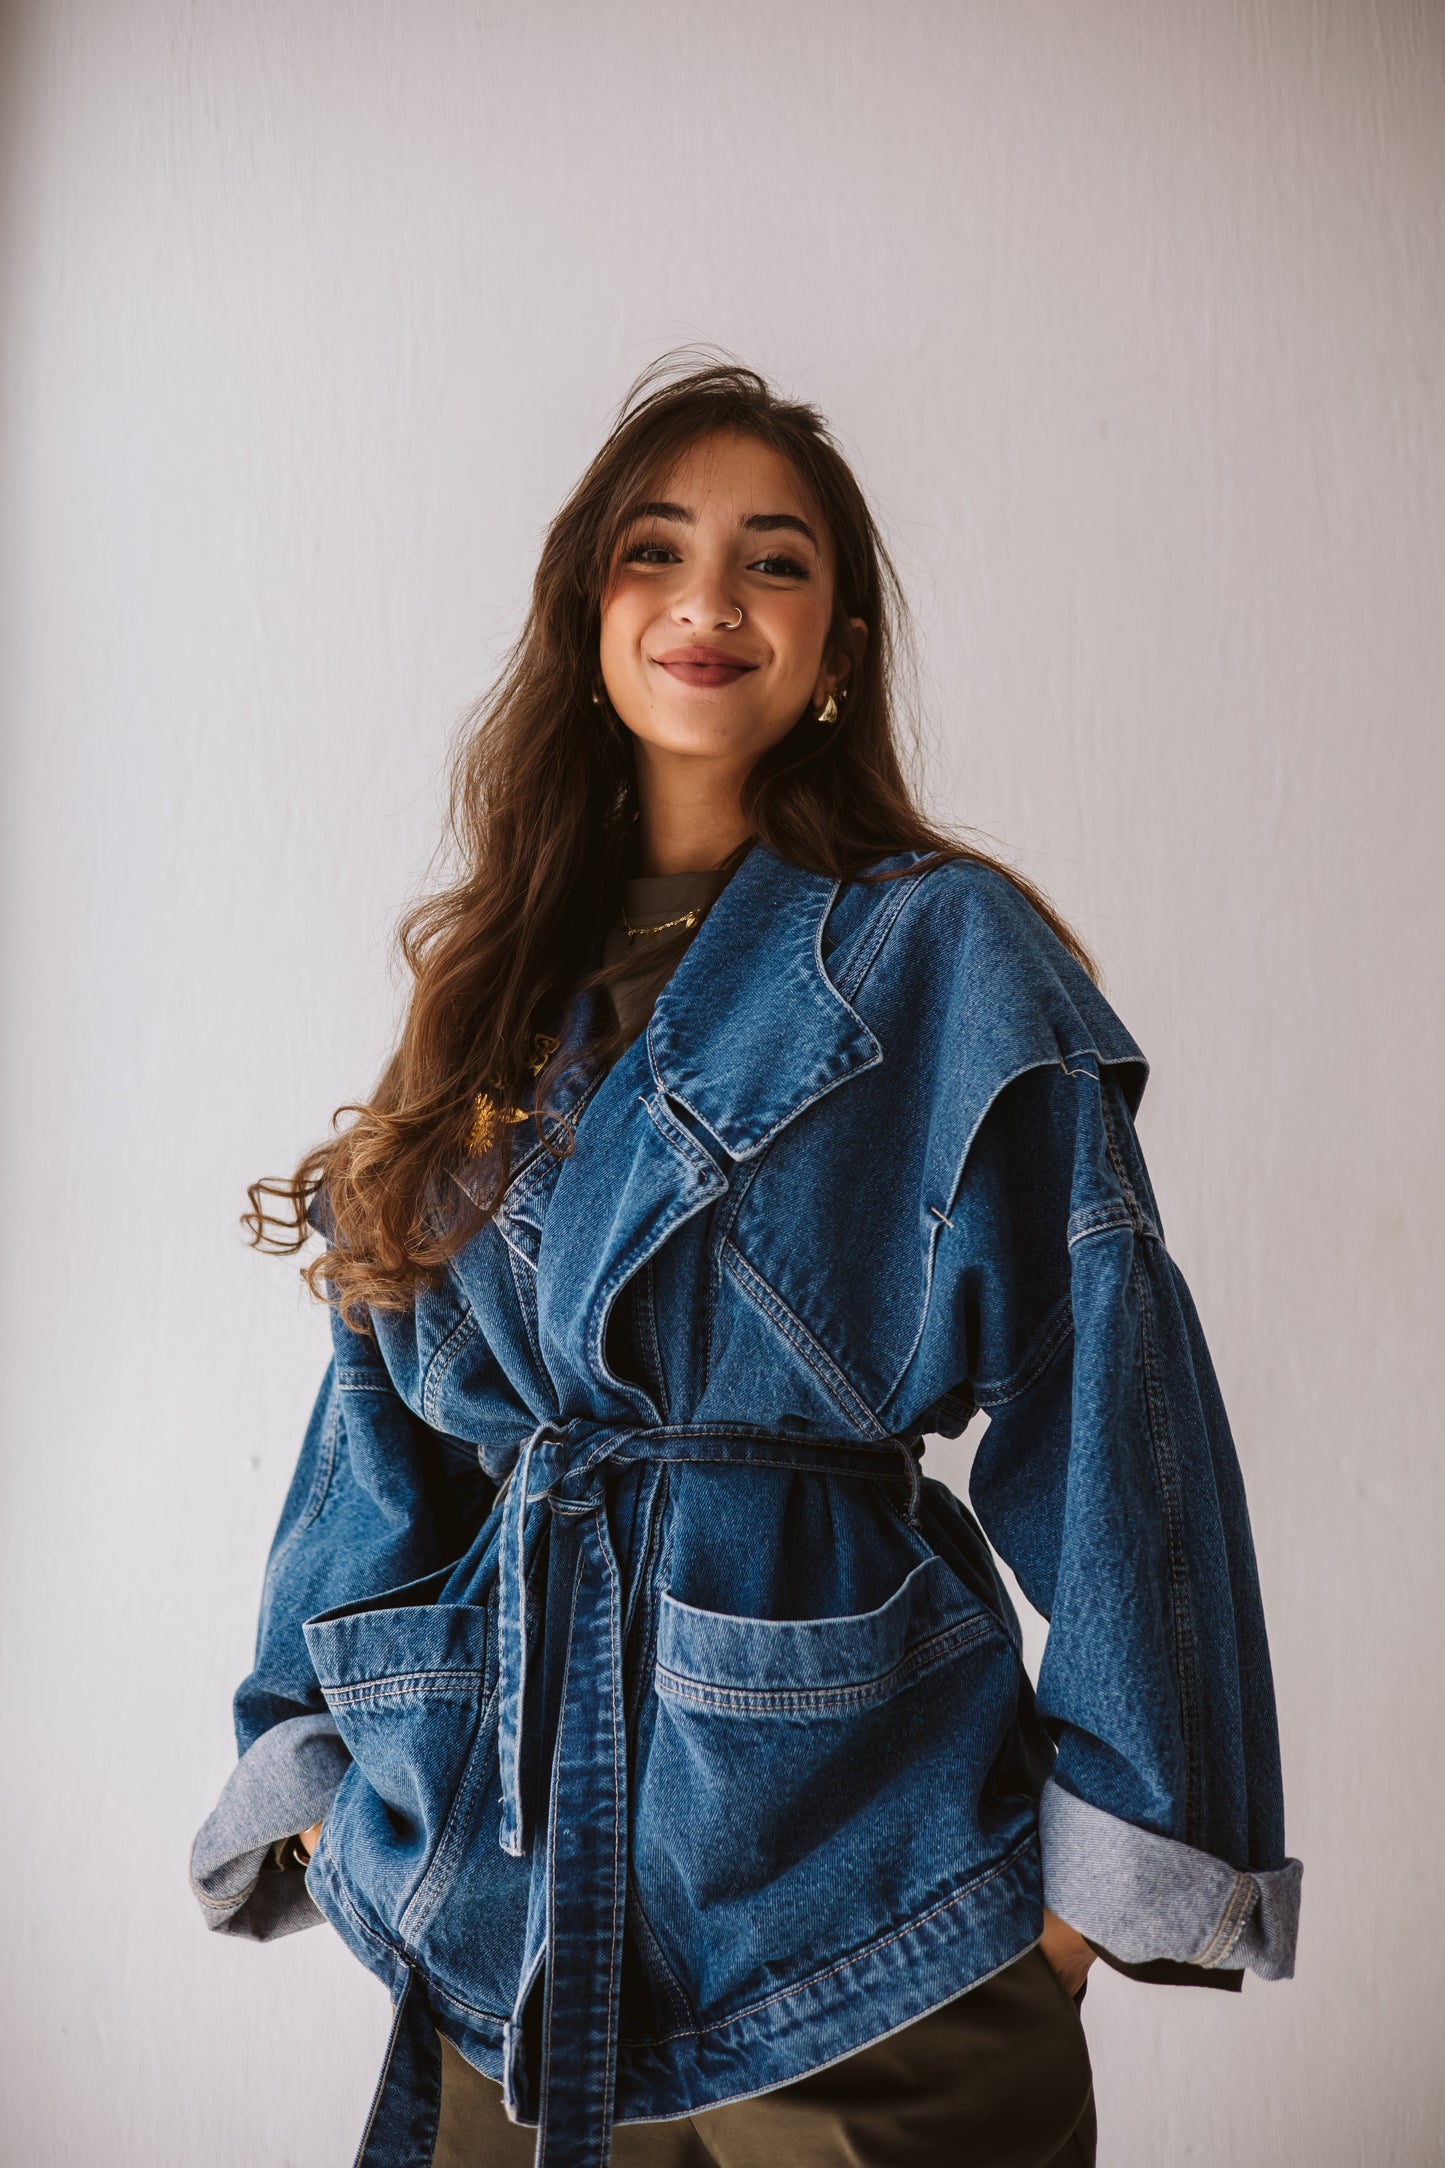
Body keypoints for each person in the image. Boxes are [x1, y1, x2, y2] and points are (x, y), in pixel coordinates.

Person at [190, 356, 1301, 2168]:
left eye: (773, 562)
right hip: (509, 1908)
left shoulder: (944, 954)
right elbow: (374, 1404)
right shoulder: (488, 981)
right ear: (590, 611)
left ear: (837, 643)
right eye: (656, 550)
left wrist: (1098, 1883)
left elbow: (1116, 1400)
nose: (710, 600)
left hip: (866, 1894)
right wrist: (321, 1760)